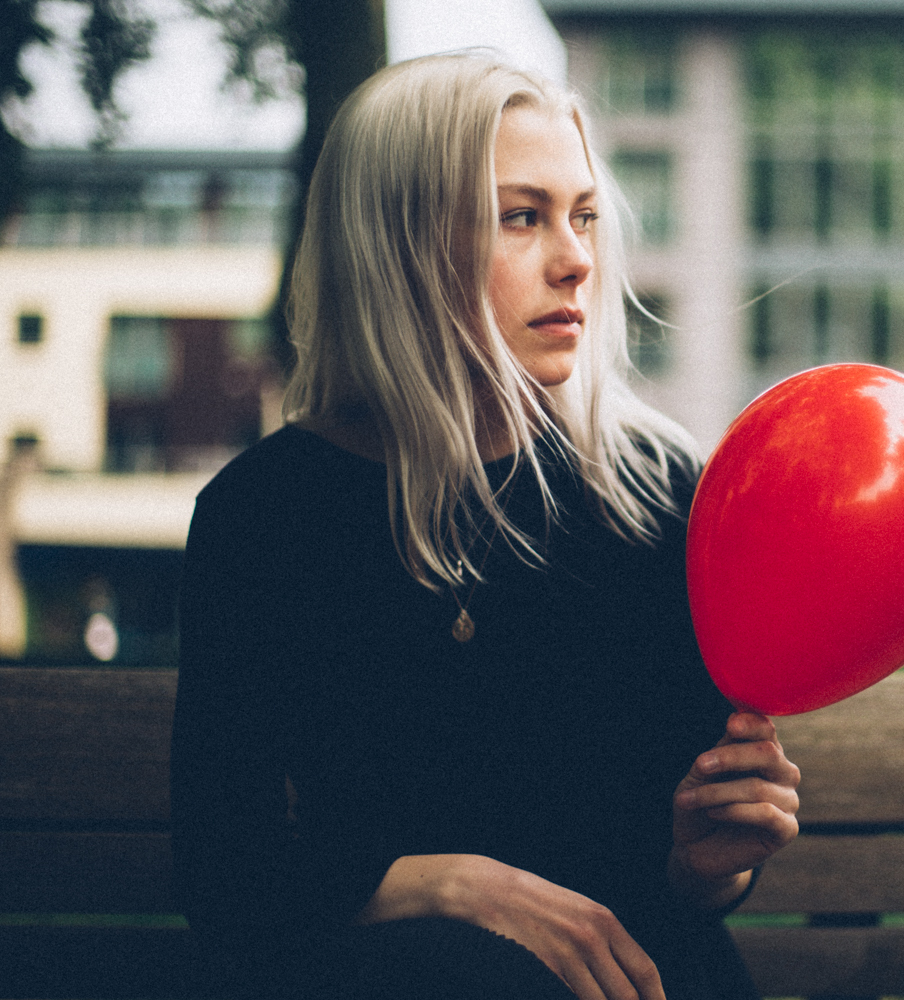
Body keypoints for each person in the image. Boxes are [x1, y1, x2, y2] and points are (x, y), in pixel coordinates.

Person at [170, 52, 801, 1000]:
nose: (578, 257)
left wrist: (714, 861)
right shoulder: (264, 518)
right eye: (523, 216)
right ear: (399, 242)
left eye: (584, 215)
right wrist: (453, 885)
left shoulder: (657, 488)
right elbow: (227, 874)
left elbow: (682, 879)